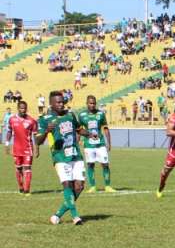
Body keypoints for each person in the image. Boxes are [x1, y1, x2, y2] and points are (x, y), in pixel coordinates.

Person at [35, 90, 86, 225]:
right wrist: (47, 131)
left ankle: (57, 215)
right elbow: (38, 141)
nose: (61, 104)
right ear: (51, 104)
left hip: (76, 155)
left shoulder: (70, 115)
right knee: (67, 184)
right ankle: (75, 217)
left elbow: (79, 129)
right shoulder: (44, 119)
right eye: (58, 102)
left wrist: (89, 134)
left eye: (62, 102)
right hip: (60, 157)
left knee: (79, 187)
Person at [79, 95, 116, 193]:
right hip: (88, 144)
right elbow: (79, 130)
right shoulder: (82, 115)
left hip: (100, 144)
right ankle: (93, 186)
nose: (92, 105)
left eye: (94, 103)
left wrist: (109, 143)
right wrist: (78, 141)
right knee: (90, 164)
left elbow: (105, 128)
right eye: (90, 103)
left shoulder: (101, 114)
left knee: (105, 164)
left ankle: (107, 186)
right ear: (87, 103)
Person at [5, 99, 38, 195]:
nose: (23, 110)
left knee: (27, 168)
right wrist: (7, 144)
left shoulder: (32, 121)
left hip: (28, 148)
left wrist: (37, 148)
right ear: (18, 108)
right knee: (18, 168)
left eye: (24, 108)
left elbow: (35, 135)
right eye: (21, 108)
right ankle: (21, 187)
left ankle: (27, 190)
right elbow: (9, 132)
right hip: (16, 149)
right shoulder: (12, 119)